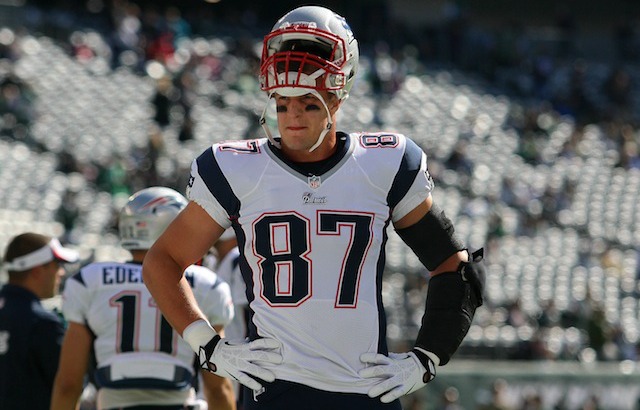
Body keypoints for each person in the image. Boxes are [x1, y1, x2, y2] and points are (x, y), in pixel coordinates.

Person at [143, 5, 484, 410]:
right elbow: (162, 261)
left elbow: (456, 267)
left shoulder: (383, 164)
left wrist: (425, 358)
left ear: (338, 95)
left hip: (366, 390)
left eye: (307, 102)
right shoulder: (236, 168)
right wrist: (209, 346)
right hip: (275, 389)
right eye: (282, 104)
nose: (292, 118)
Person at [50, 187, 236, 410]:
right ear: (170, 226)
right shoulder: (206, 284)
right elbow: (217, 387)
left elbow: (69, 384)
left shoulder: (90, 280)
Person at [0, 232, 79, 410]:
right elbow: (69, 384)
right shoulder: (41, 323)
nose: (61, 272)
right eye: (57, 265)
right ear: (37, 271)